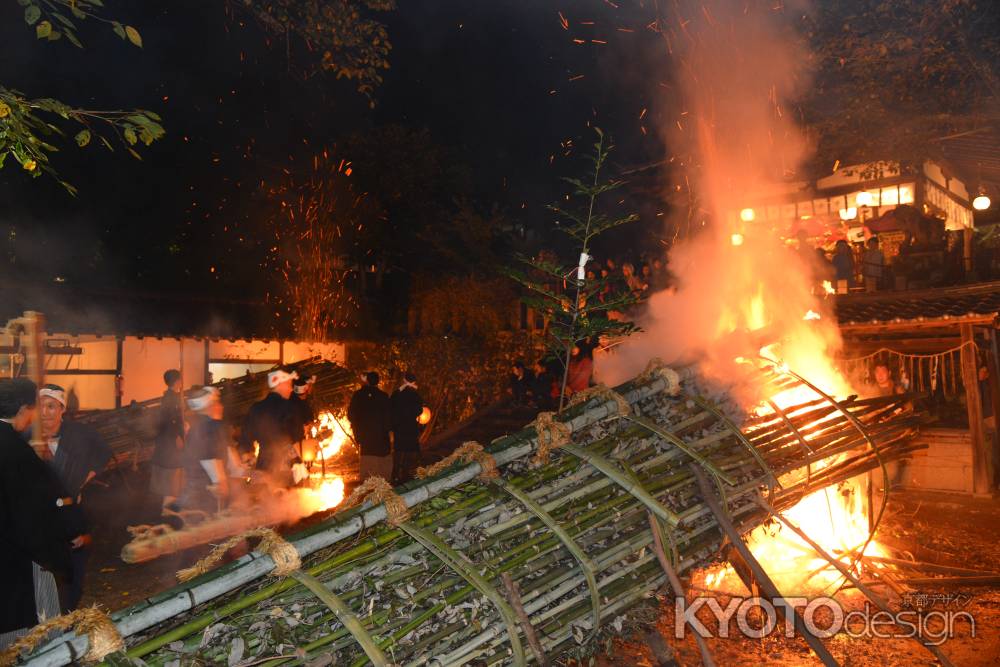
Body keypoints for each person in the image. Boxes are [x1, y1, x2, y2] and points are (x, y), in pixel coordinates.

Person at [0, 379, 72, 648]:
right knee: (29, 631)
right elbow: (30, 516)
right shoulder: (16, 452)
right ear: (23, 410)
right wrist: (53, 555)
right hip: (15, 556)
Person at [38, 384, 112, 612]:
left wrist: (86, 478)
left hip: (72, 514)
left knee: (73, 570)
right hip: (40, 517)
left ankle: (66, 614)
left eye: (51, 406)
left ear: (62, 409)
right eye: (40, 406)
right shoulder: (27, 435)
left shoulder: (79, 433)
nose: (45, 412)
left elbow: (104, 453)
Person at [238, 367, 300, 488]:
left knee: (266, 498)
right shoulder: (288, 407)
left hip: (264, 463)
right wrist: (297, 462)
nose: (291, 389)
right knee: (287, 499)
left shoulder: (256, 408)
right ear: (280, 384)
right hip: (286, 464)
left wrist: (249, 459)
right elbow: (294, 437)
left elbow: (245, 438)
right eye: (289, 385)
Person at [179, 387, 231, 516]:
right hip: (204, 492)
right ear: (210, 406)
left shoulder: (201, 425)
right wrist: (219, 481)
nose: (221, 406)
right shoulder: (209, 426)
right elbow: (207, 454)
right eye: (217, 403)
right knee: (206, 524)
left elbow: (221, 452)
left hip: (197, 489)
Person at [150, 369, 185, 510]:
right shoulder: (172, 399)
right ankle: (168, 512)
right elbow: (172, 420)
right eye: (180, 380)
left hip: (165, 445)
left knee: (170, 481)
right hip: (170, 446)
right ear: (177, 381)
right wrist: (177, 435)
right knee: (172, 481)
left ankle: (167, 508)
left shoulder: (167, 397)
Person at [348, 372, 392, 482]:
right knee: (382, 473)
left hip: (365, 438)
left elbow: (351, 415)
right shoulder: (383, 396)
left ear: (366, 380)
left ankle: (368, 491)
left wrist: (357, 430)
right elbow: (389, 418)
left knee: (368, 471)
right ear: (378, 382)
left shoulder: (358, 395)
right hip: (381, 439)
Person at [390, 372, 424, 485]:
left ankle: (395, 474)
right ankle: (406, 473)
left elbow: (391, 403)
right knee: (409, 450)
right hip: (410, 426)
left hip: (399, 426)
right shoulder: (415, 395)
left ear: (404, 380)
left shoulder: (398, 394)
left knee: (399, 450)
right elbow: (419, 410)